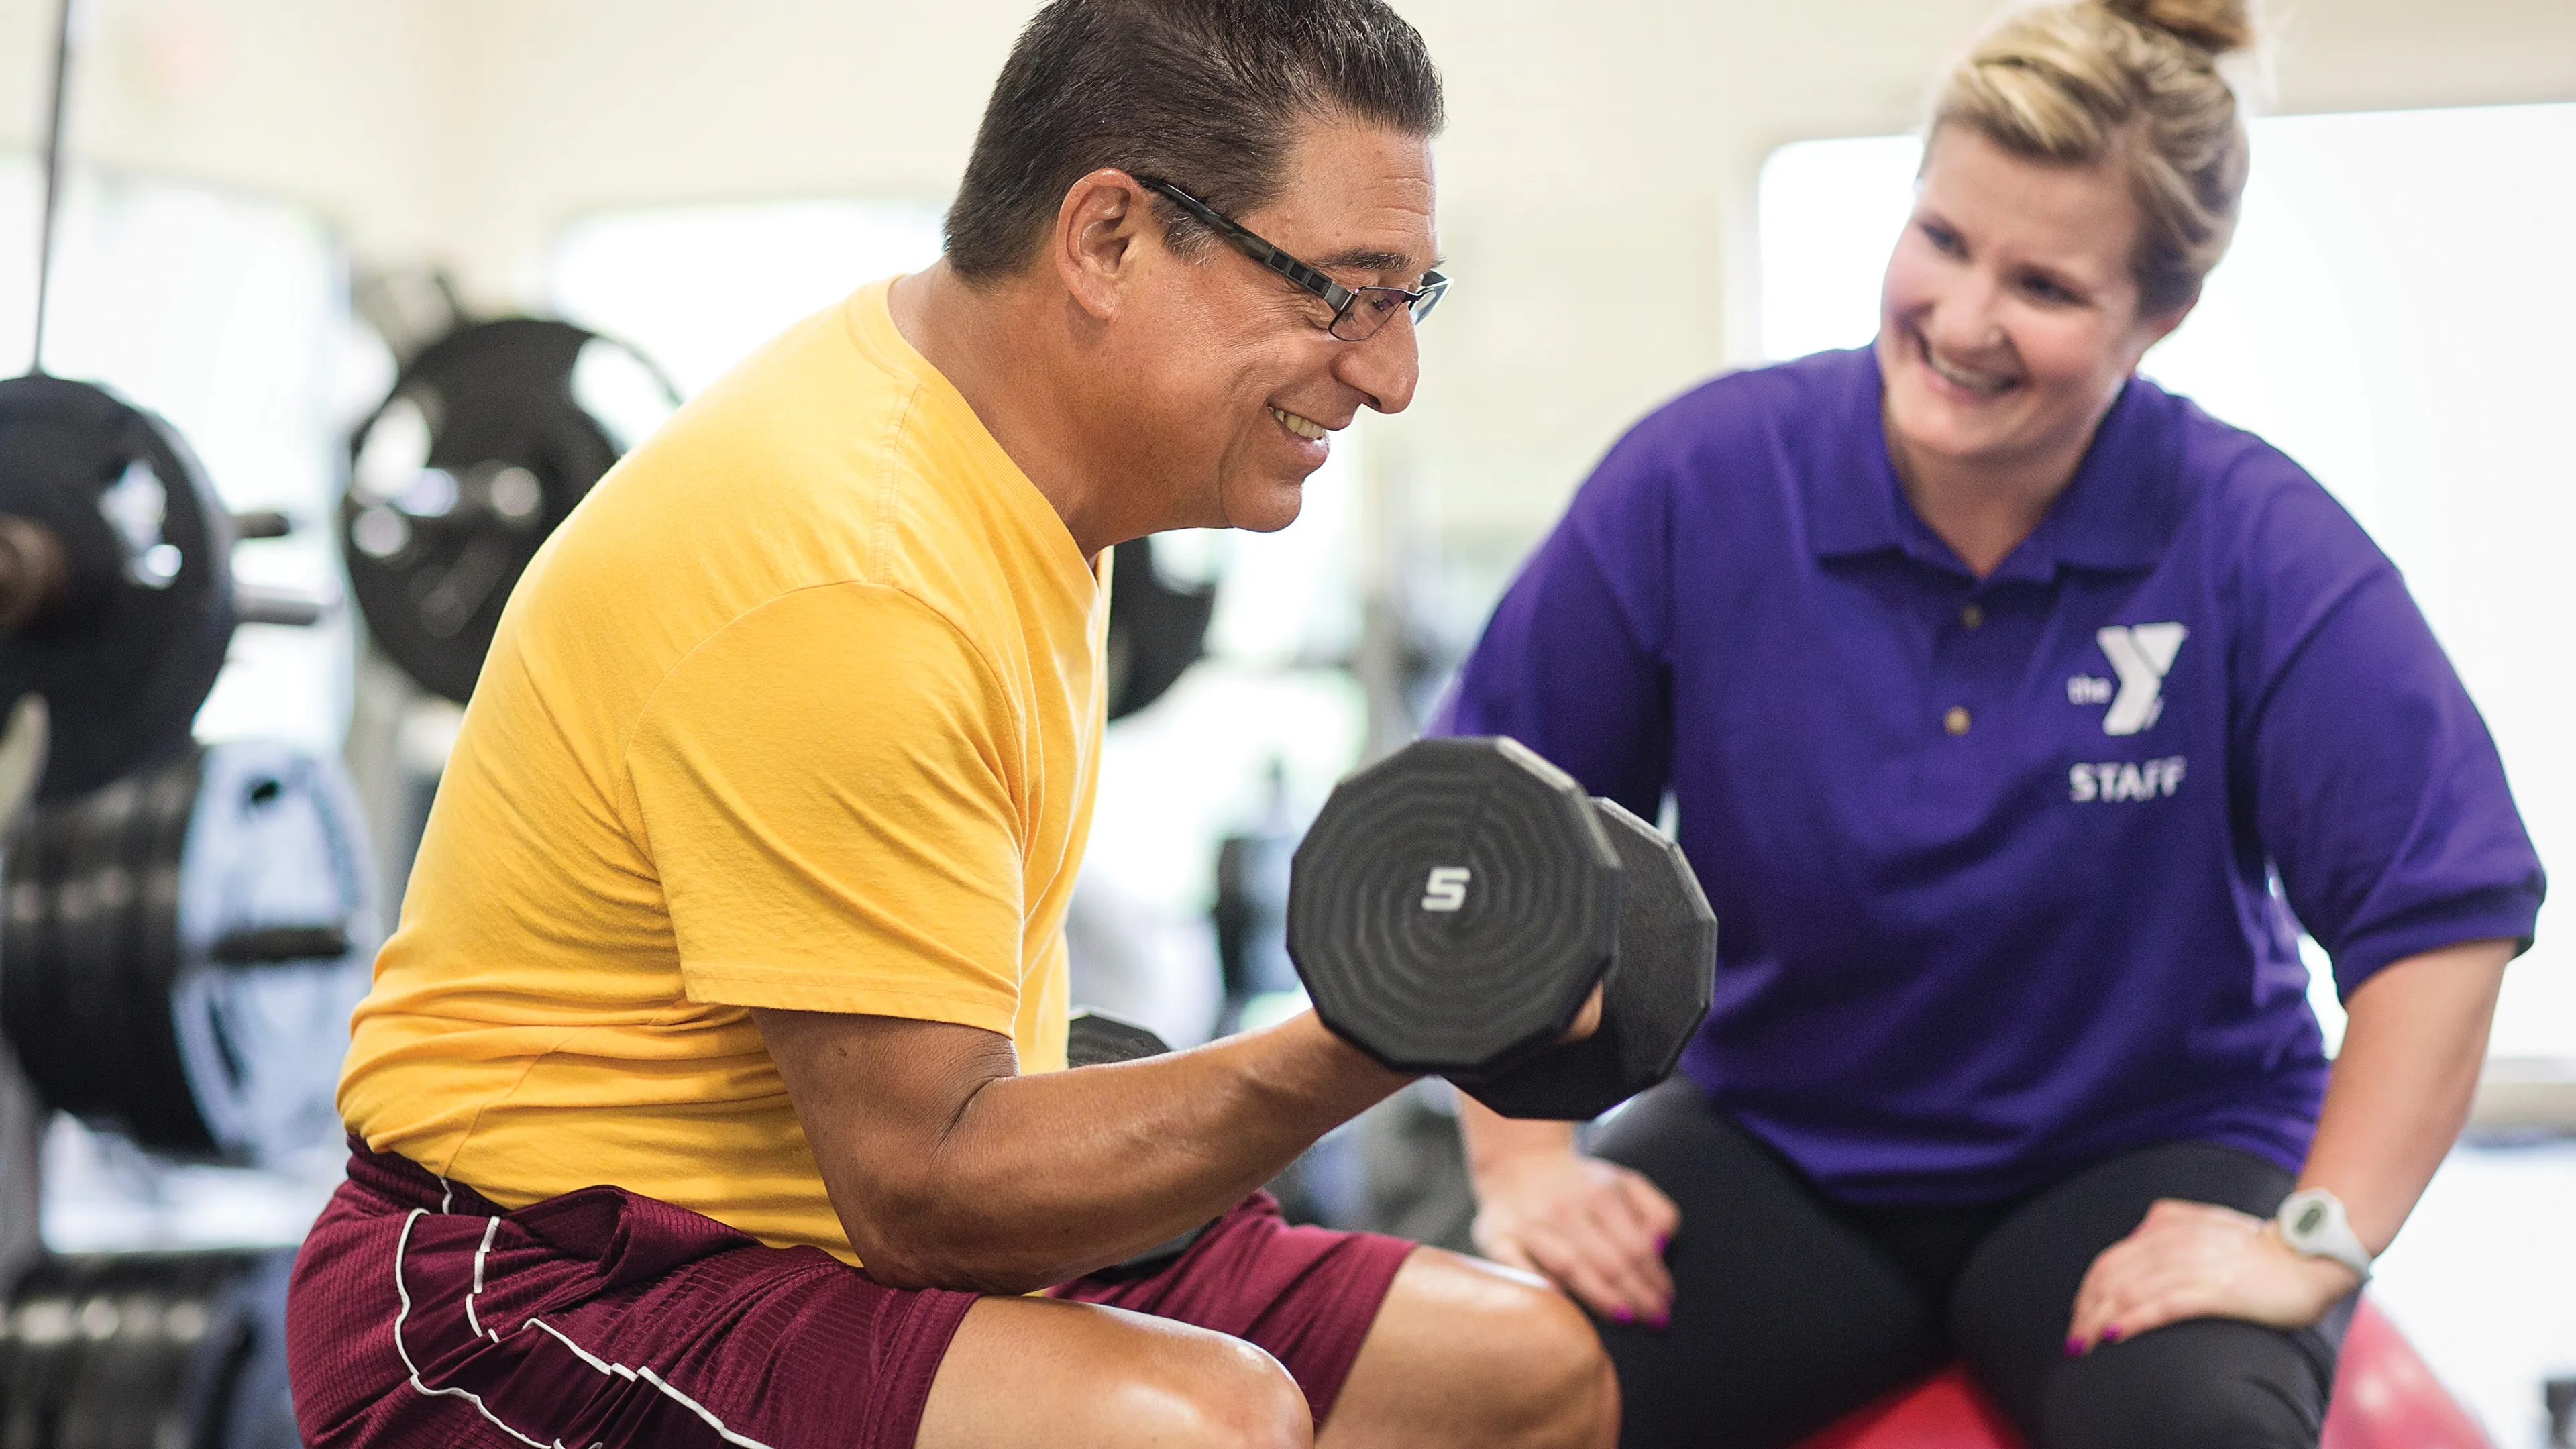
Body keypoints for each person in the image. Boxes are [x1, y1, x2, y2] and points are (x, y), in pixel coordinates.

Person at [284, 5, 1619, 1449]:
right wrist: (1371, 1038)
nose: (1387, 375)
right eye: (1339, 294)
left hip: (830, 1225)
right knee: (1193, 1431)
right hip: (542, 1285)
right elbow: (926, 1189)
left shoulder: (1032, 460)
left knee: (1521, 1373)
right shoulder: (853, 564)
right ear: (1106, 238)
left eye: (1408, 300)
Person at [1434, 1, 2545, 1446]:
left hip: (2145, 1161)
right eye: (1943, 241)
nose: (1963, 322)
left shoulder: (2248, 537)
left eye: (2045, 285)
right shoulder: (1704, 484)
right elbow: (1501, 824)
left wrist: (2313, 1241)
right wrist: (1523, 1166)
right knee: (1469, 1397)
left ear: (2162, 316)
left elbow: (2444, 909)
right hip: (1781, 1152)